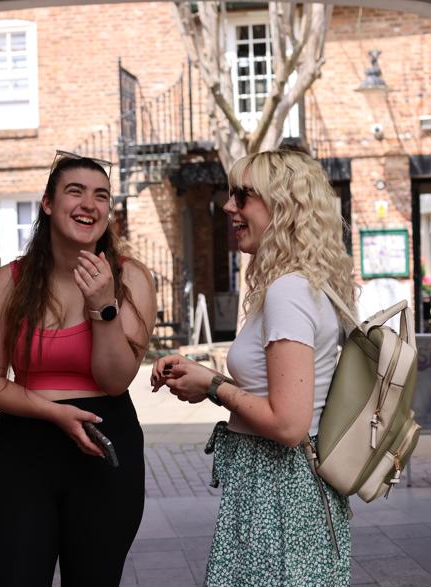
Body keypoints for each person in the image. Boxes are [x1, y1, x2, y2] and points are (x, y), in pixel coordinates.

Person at [151, 149, 355, 586]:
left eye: (242, 197)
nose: (229, 207)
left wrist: (212, 385)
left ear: (283, 207)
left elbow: (287, 424)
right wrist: (208, 381)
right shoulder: (302, 284)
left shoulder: (289, 292)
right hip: (284, 490)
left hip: (278, 492)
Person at [0, 153, 156, 587]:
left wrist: (103, 305)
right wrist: (55, 413)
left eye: (101, 196)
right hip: (24, 451)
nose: (89, 204)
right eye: (75, 191)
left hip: (105, 447)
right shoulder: (8, 283)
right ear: (48, 204)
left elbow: (114, 381)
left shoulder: (131, 279)